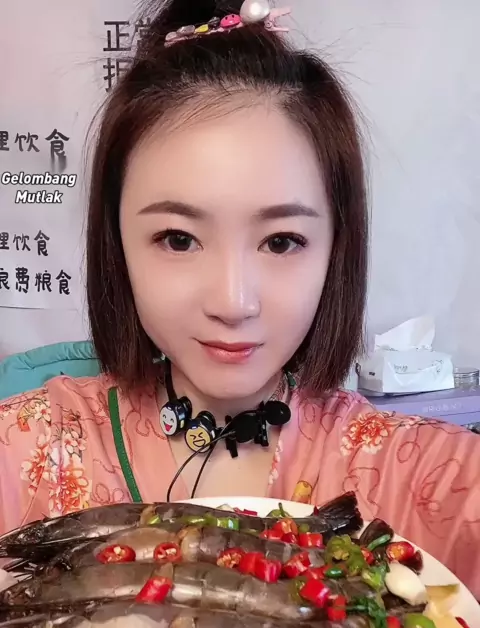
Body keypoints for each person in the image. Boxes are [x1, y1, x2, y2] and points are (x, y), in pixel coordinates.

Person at [0, 0, 479, 594]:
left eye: (281, 241)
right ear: (115, 243)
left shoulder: (418, 472)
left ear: (337, 248)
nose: (233, 302)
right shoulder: (29, 449)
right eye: (178, 239)